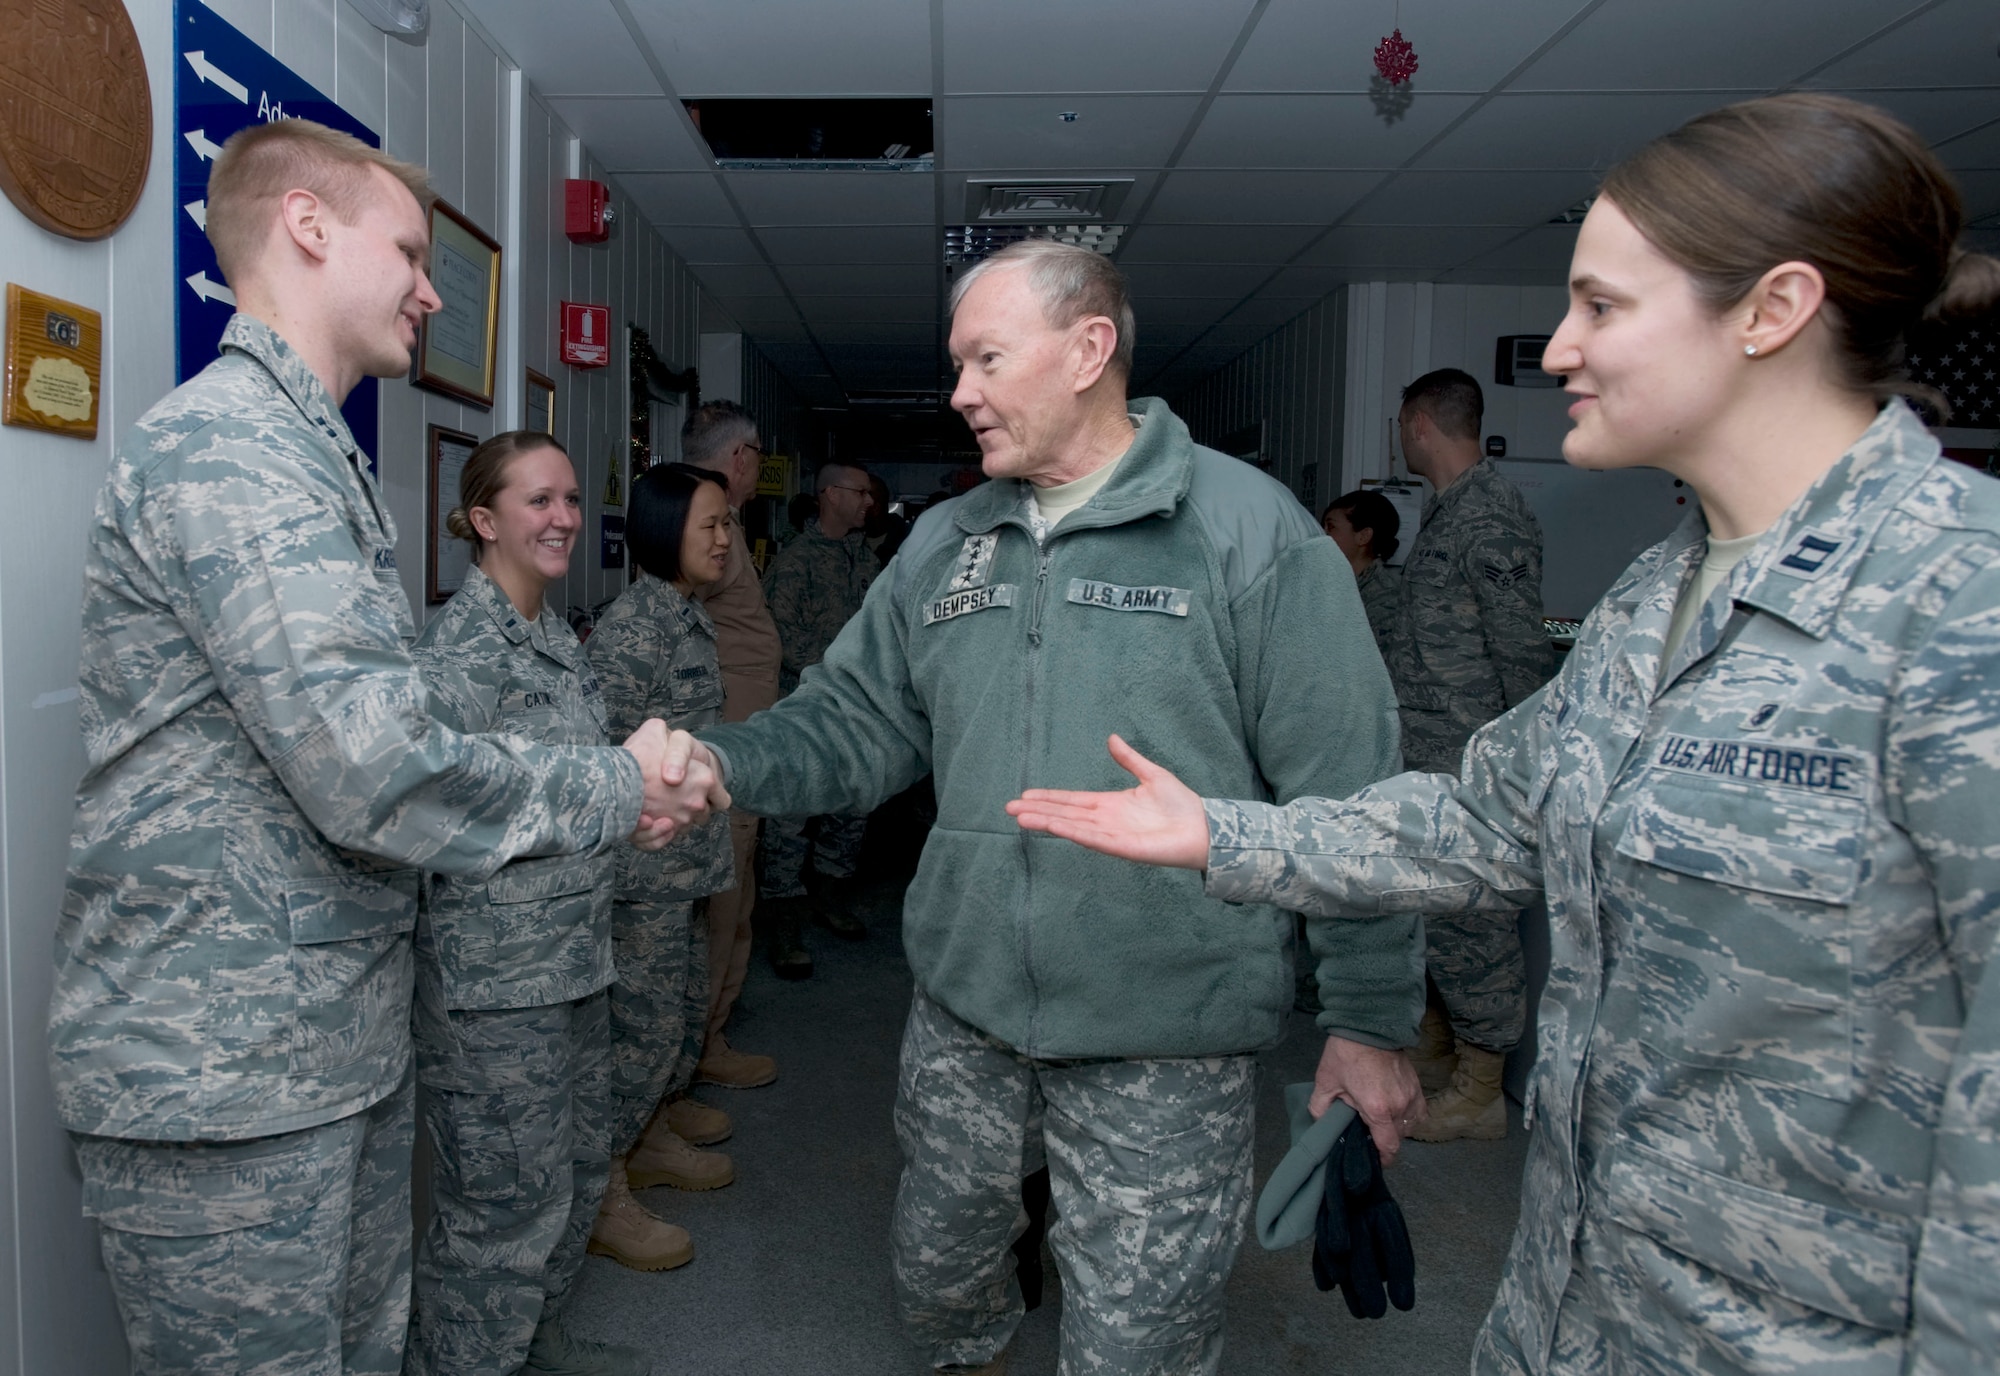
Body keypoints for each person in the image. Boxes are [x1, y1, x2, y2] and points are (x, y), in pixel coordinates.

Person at [1010, 93, 2000, 1376]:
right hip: (1579, 1306)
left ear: (1770, 310)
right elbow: (1485, 817)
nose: (1560, 348)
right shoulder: (1664, 588)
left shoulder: (1956, 608)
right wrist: (1224, 833)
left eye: (1601, 305)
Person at [46, 119, 718, 1376]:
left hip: (318, 1051)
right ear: (307, 225)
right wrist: (618, 782)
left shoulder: (306, 453)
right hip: (227, 1068)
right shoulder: (236, 450)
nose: (427, 286)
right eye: (408, 250)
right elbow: (376, 768)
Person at [680, 239, 1422, 1375]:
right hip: (966, 1019)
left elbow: (1349, 791)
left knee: (1138, 1340)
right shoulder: (946, 541)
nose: (958, 391)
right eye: (956, 362)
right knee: (939, 1290)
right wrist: (720, 764)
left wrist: (1367, 1017)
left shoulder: (1243, 530)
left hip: (1162, 1036)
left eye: (985, 357)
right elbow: (856, 721)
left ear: (1088, 350)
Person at [407, 432, 641, 1376]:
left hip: (575, 960)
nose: (565, 520)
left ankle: (530, 1344)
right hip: (498, 989)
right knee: (501, 1207)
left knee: (577, 1171)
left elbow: (564, 787)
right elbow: (440, 813)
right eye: (539, 501)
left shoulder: (551, 633)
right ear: (483, 519)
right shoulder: (460, 654)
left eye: (573, 500)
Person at [1385, 367, 1556, 1142]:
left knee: (1475, 917)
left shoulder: (1490, 516)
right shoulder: (1447, 510)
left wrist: (1519, 764)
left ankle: (1482, 1086)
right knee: (1435, 911)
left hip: (1474, 757)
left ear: (1421, 424)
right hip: (1432, 750)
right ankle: (1443, 1042)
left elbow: (1521, 649)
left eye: (1402, 426)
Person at [586, 464, 741, 1275]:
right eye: (710, 525)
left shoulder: (686, 614)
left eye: (726, 524)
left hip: (684, 869)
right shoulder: (633, 630)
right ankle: (605, 1187)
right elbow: (603, 763)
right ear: (663, 531)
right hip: (642, 880)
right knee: (637, 1037)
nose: (725, 539)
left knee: (677, 1020)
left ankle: (648, 1134)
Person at [684, 400, 783, 1093]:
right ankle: (700, 1045)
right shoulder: (704, 517)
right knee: (722, 901)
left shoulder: (716, 516)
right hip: (722, 740)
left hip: (740, 740)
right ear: (742, 456)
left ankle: (709, 1032)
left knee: (738, 896)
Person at [756, 460, 882, 974]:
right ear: (830, 494)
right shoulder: (795, 562)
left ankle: (830, 899)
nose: (869, 502)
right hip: (804, 715)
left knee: (849, 814)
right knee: (789, 823)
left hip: (856, 715)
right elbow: (781, 640)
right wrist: (841, 672)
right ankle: (784, 927)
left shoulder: (864, 560)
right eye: (861, 493)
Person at [1321, 488, 1402, 649]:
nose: (1322, 535)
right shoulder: (1336, 584)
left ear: (1363, 536)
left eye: (1331, 527)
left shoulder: (1386, 598)